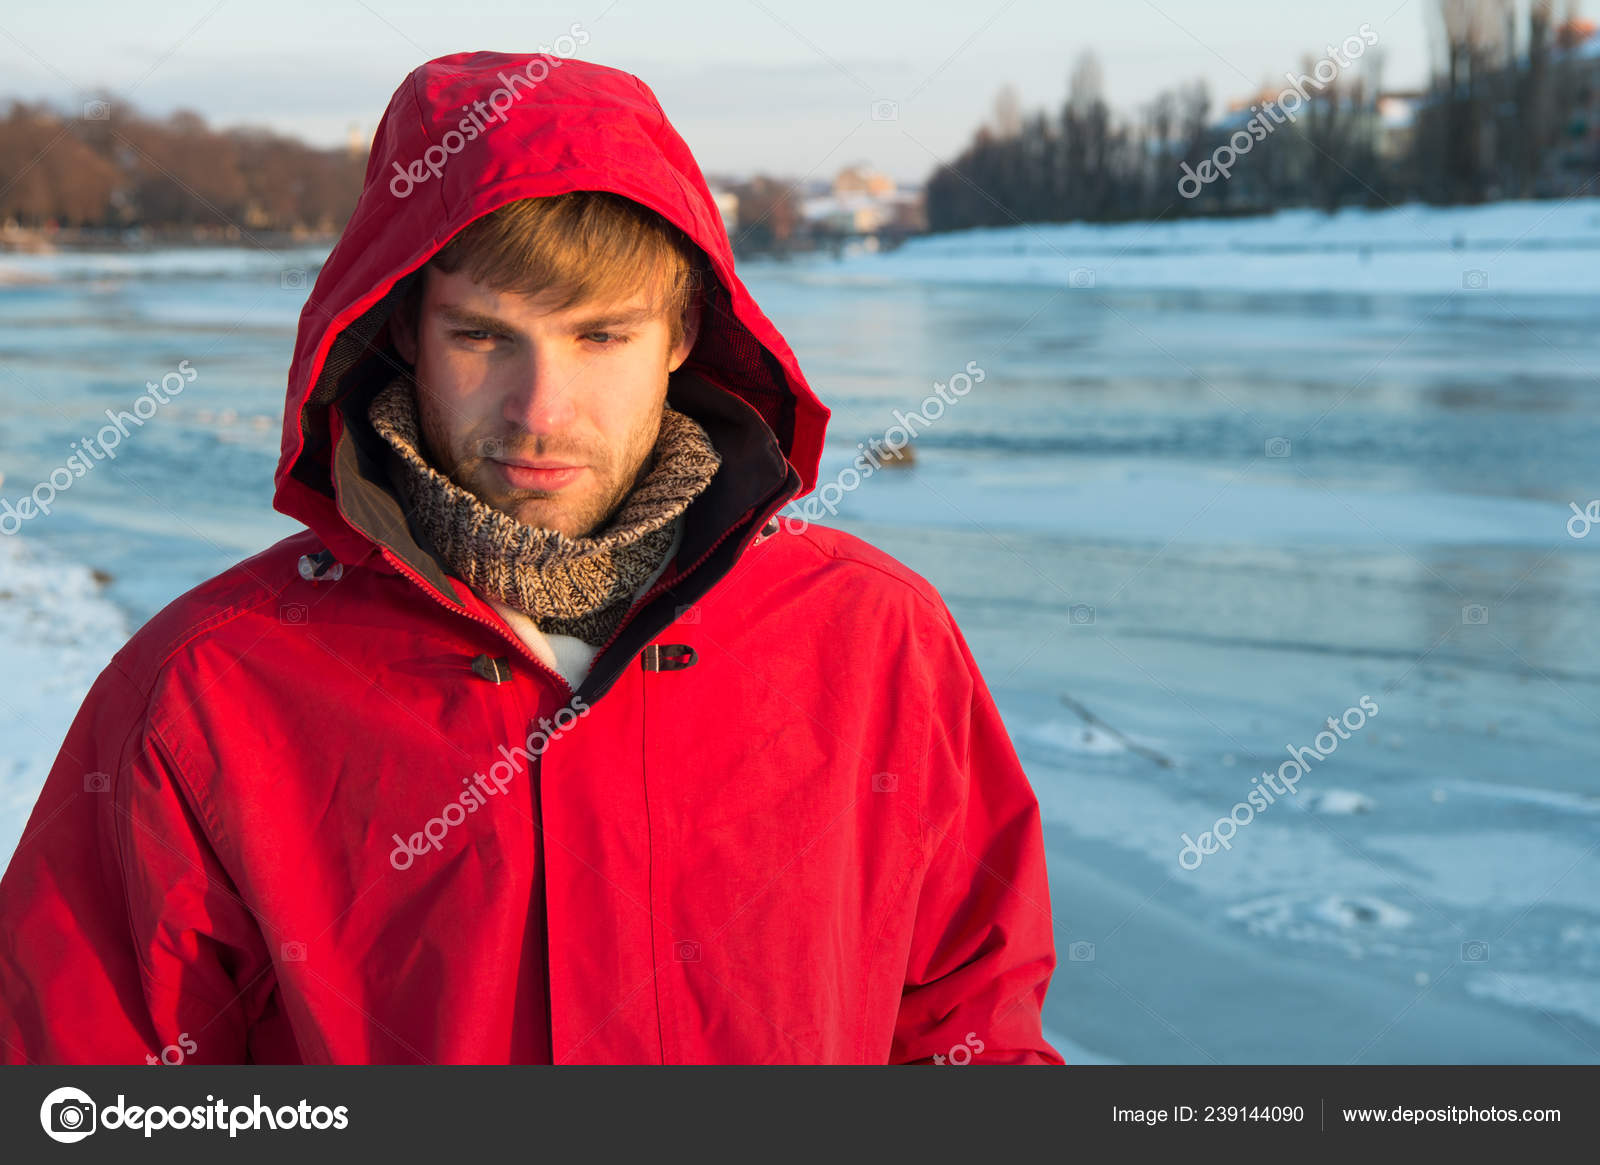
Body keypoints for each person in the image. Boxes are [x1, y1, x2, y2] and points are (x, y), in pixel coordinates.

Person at [0, 51, 1062, 1065]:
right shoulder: (212, 689)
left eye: (602, 337)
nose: (539, 411)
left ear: (684, 330)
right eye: (482, 337)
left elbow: (971, 1039)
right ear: (405, 327)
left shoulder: (873, 639)